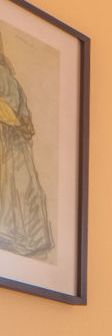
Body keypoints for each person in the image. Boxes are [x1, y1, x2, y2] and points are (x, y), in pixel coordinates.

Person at [0, 33, 56, 261]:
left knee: (20, 190)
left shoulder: (8, 78)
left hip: (13, 143)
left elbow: (18, 111)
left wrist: (21, 122)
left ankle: (22, 238)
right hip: (10, 141)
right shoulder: (8, 78)